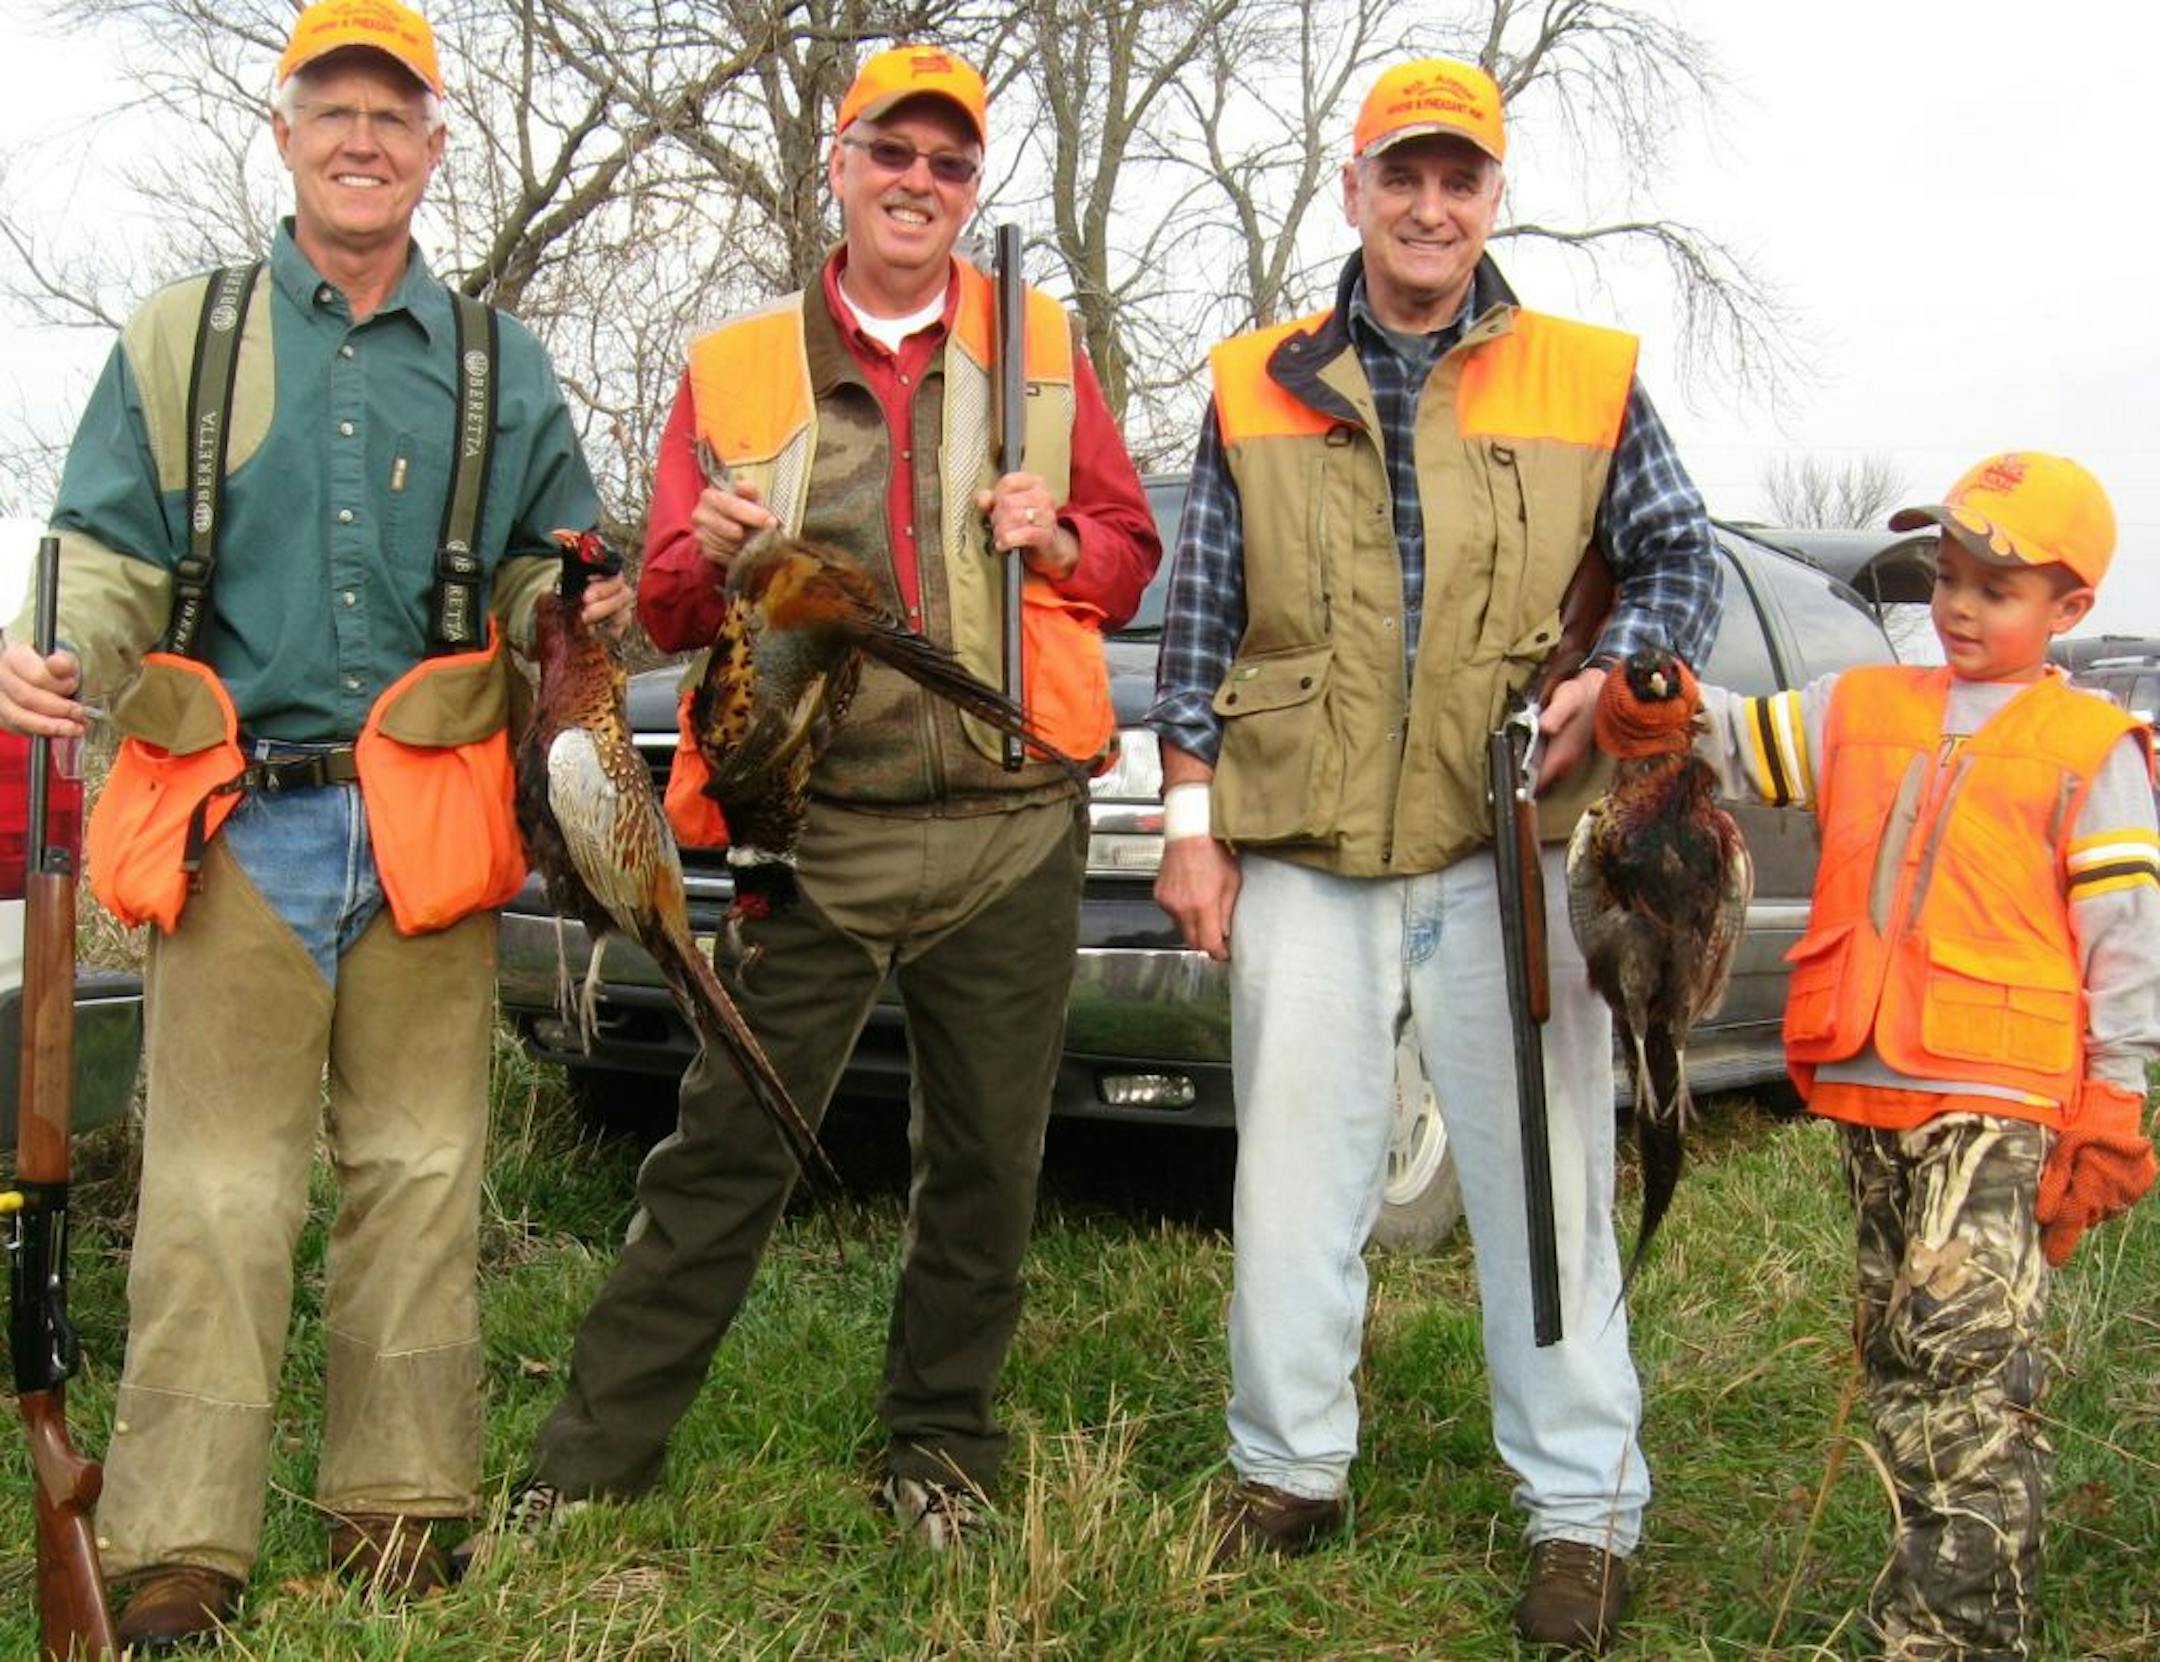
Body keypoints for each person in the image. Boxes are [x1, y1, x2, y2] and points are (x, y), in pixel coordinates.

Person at [481, 43, 1159, 1552]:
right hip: (817, 838)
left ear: (971, 187)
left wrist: (1059, 540)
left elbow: (1127, 559)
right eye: (891, 153)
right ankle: (584, 1472)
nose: (919, 183)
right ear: (837, 167)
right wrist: (706, 548)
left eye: (949, 162)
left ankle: (942, 1456)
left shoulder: (1041, 344)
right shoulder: (736, 366)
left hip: (1009, 827)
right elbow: (652, 609)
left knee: (988, 1165)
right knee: (722, 1152)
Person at [0, 0, 620, 1645]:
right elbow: (107, 569)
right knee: (215, 1193)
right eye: (330, 107)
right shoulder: (180, 342)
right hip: (236, 837)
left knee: (424, 1173)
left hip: (427, 829)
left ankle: (401, 1511)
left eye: (392, 113)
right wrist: (53, 656)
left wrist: (590, 602)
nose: (362, 137)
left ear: (433, 146)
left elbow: (544, 583)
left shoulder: (501, 365)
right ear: (282, 137)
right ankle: (174, 1548)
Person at [1146, 57, 1720, 1655]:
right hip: (1307, 844)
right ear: (1352, 188)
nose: (1429, 204)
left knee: (1545, 1183)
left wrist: (1623, 670)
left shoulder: (1588, 372)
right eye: (1402, 173)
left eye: (1459, 178)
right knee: (1294, 1177)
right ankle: (1287, 1469)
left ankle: (1581, 1505)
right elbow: (1199, 610)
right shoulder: (1255, 375)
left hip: (1511, 847)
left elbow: (1676, 550)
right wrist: (1190, 824)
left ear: (1491, 198)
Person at [1652, 453, 2156, 1660]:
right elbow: (1727, 740)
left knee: (1968, 1378)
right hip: (1874, 1097)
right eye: (1953, 575)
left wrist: (2117, 1097)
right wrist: (1653, 697)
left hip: (1998, 1108)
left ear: (2069, 610)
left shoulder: (2095, 748)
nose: (1965, 605)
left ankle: (1957, 1636)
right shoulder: (1860, 705)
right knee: (1900, 1366)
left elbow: (2126, 937)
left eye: (2002, 586)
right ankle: (1933, 1604)